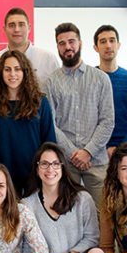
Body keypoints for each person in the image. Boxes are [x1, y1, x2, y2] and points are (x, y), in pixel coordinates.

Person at [44, 22, 115, 207]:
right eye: (62, 43)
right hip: (64, 164)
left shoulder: (101, 79)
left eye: (71, 41)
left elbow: (107, 121)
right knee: (66, 212)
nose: (67, 47)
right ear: (57, 47)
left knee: (103, 214)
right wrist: (74, 155)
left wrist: (88, 152)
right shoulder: (50, 82)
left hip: (96, 161)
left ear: (80, 43)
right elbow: (50, 124)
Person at [0, 50, 56, 196]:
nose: (12, 74)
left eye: (17, 69)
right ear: (0, 73)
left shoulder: (40, 103)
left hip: (36, 175)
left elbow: (49, 141)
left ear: (25, 72)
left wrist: (45, 170)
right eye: (7, 69)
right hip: (5, 178)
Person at [93, 25, 127, 157]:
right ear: (95, 48)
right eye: (103, 41)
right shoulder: (89, 79)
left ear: (118, 45)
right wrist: (103, 148)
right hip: (96, 151)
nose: (108, 45)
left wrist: (121, 149)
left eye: (112, 40)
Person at [0, 7, 60, 82]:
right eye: (12, 25)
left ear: (29, 28)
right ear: (4, 29)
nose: (17, 29)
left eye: (21, 25)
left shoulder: (48, 59)